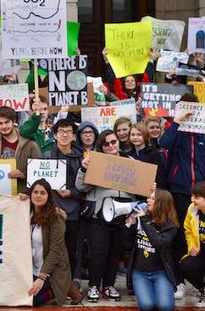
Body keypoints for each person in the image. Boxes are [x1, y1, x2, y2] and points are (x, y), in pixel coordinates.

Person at [160, 93, 205, 298]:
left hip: (203, 194)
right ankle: (179, 281)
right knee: (179, 237)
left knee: (204, 236)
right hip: (179, 191)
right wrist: (177, 121)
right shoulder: (176, 131)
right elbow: (163, 143)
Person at [75, 129, 136, 302]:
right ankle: (94, 286)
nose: (110, 146)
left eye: (113, 142)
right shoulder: (94, 161)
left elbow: (138, 187)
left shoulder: (130, 161)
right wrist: (83, 168)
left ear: (118, 142)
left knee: (115, 252)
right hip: (98, 216)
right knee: (98, 252)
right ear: (101, 146)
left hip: (121, 215)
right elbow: (81, 187)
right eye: (106, 143)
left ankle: (108, 286)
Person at [25, 179, 82, 306]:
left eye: (42, 193)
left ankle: (57, 290)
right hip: (31, 269)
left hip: (51, 271)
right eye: (35, 192)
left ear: (48, 196)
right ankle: (66, 286)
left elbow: (56, 250)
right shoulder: (26, 212)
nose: (38, 196)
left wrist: (41, 277)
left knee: (30, 300)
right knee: (16, 295)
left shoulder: (56, 218)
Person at [39, 119, 84, 278]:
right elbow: (38, 183)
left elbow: (88, 188)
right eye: (61, 132)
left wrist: (71, 193)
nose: (65, 135)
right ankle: (50, 281)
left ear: (73, 137)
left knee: (72, 249)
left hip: (73, 211)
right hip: (51, 211)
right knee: (49, 249)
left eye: (68, 132)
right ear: (55, 135)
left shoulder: (82, 159)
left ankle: (73, 280)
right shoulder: (45, 157)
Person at [126, 187, 178, 311]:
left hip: (160, 272)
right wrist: (129, 226)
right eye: (149, 197)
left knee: (165, 306)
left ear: (162, 203)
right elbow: (126, 245)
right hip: (140, 273)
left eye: (153, 199)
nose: (148, 200)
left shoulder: (170, 226)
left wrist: (144, 220)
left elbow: (158, 242)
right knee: (147, 306)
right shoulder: (142, 218)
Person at [0, 106, 41, 193]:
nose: (4, 126)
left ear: (14, 121)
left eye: (7, 122)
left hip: (21, 195)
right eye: (0, 123)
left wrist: (23, 175)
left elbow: (39, 172)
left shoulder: (30, 144)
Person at [127, 122, 166, 189]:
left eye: (139, 135)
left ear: (145, 136)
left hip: (150, 193)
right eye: (132, 135)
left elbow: (160, 177)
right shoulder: (128, 155)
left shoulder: (154, 154)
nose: (135, 137)